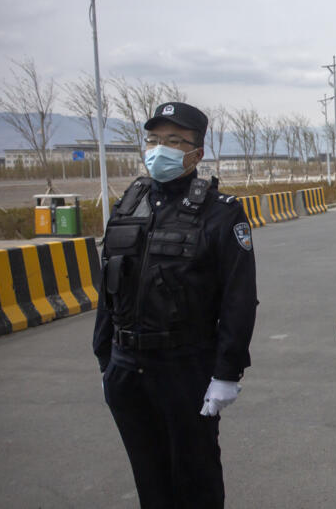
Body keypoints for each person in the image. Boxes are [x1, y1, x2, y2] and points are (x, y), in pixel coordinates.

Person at [93, 102, 257, 509]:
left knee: (195, 478)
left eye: (172, 141)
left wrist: (226, 373)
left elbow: (238, 300)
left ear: (196, 153)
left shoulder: (221, 213)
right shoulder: (129, 203)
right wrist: (105, 360)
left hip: (185, 369)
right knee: (150, 479)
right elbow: (108, 287)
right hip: (127, 367)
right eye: (152, 139)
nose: (158, 148)